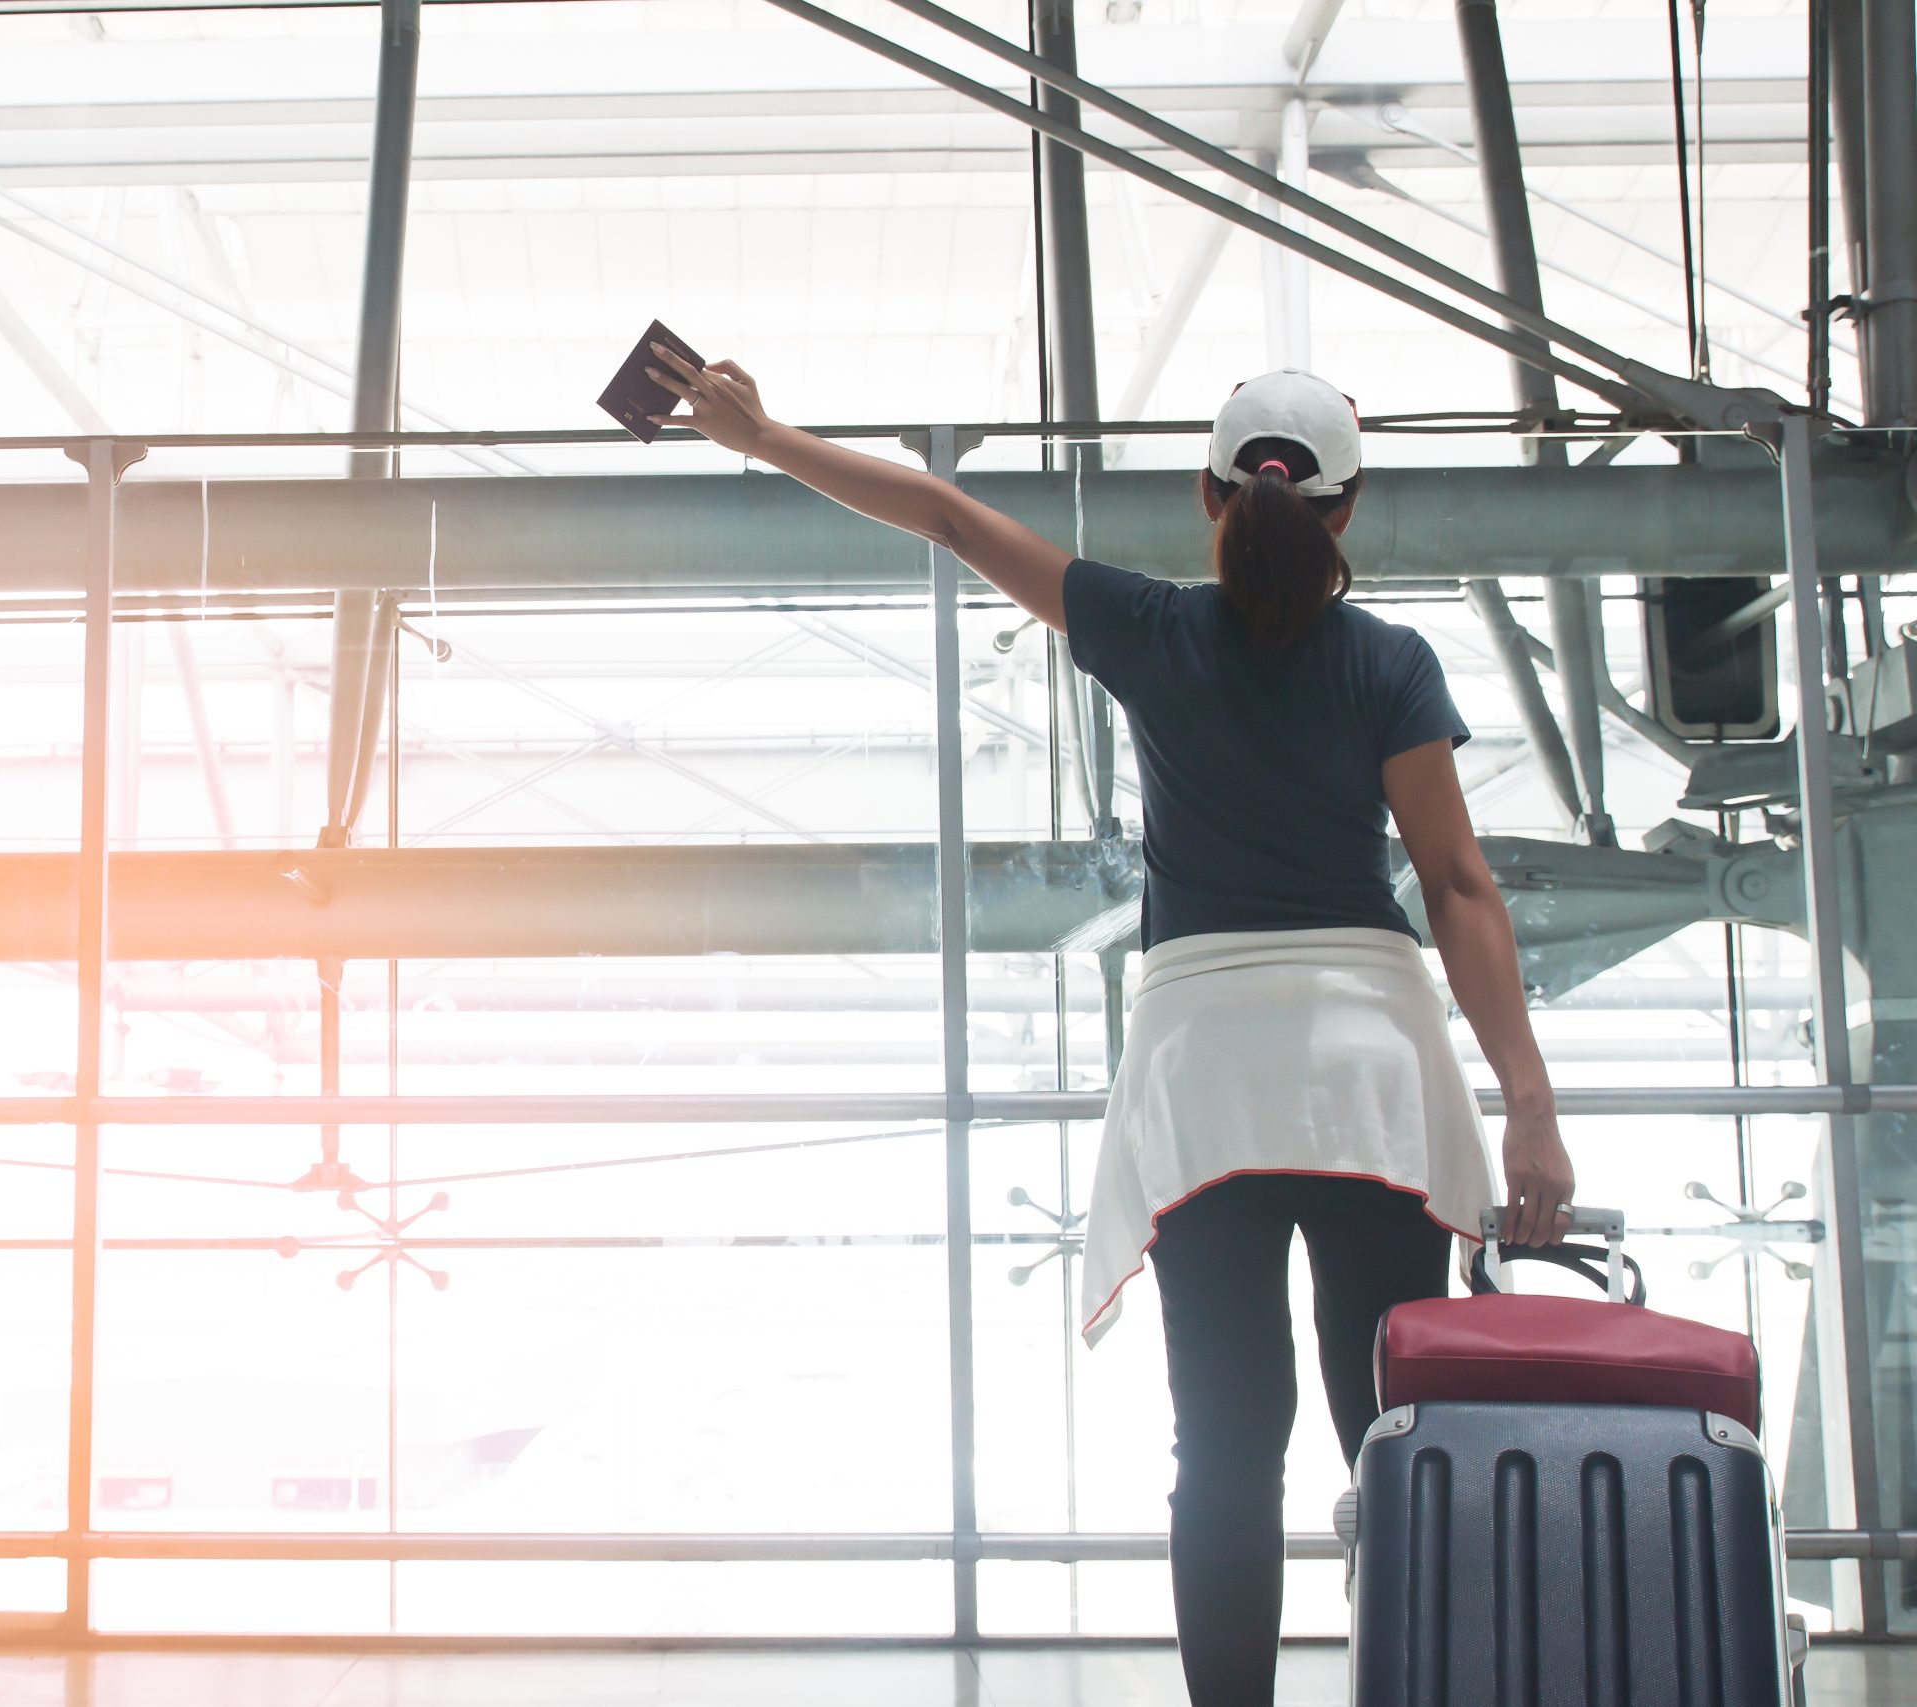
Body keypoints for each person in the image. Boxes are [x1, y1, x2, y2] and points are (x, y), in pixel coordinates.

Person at [644, 351, 1574, 1707]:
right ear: (1346, 510)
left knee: (1226, 1447)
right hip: (1371, 1068)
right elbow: (1458, 887)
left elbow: (951, 518)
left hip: (1202, 1077)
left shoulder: (1149, 627)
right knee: (1393, 1432)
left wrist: (768, 434)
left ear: (1211, 496)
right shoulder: (1388, 659)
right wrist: (1532, 1107)